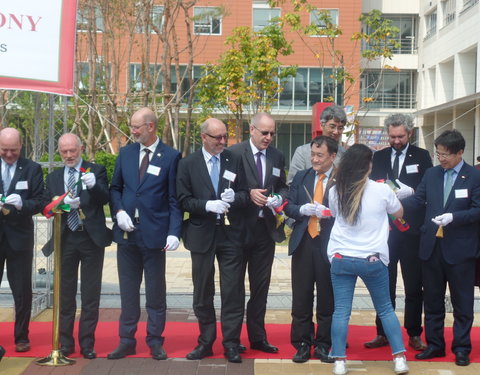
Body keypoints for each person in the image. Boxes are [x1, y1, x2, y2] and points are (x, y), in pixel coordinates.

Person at [327, 144, 409, 375]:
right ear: (368, 165)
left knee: (341, 311)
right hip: (372, 259)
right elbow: (400, 213)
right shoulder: (382, 191)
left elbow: (334, 214)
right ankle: (399, 358)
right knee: (385, 309)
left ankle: (339, 361)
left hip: (341, 257)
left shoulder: (336, 191)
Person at [401, 129, 480, 367]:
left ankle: (462, 348)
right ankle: (434, 345)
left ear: (460, 153)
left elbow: (478, 210)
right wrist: (393, 202)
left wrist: (454, 217)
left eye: (446, 154)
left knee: (462, 303)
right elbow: (418, 201)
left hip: (460, 250)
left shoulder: (474, 176)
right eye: (438, 153)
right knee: (433, 301)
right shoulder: (432, 174)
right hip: (431, 247)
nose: (441, 158)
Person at [109, 107, 182, 360]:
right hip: (127, 234)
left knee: (155, 293)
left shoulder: (171, 156)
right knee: (128, 292)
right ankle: (127, 340)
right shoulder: (126, 153)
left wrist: (174, 231)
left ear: (151, 126)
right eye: (132, 126)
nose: (132, 130)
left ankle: (154, 340)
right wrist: (118, 211)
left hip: (154, 236)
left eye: (136, 126)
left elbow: (174, 199)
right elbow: (115, 188)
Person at [177, 118, 248, 363]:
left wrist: (235, 197)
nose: (222, 142)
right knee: (203, 292)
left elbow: (245, 194)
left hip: (230, 235)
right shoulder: (187, 164)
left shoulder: (233, 159)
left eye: (224, 136)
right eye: (217, 137)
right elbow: (183, 200)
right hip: (201, 234)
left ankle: (231, 343)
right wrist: (207, 205)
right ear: (203, 137)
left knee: (233, 291)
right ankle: (206, 342)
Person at [365, 114, 432, 351]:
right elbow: (370, 187)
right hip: (385, 232)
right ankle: (382, 332)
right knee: (384, 283)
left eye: (400, 136)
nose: (396, 141)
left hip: (412, 231)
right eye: (392, 136)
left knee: (414, 285)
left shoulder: (422, 156)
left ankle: (414, 333)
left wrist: (412, 192)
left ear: (410, 133)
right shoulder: (379, 156)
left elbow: (428, 188)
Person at [41, 133, 111, 359]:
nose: (69, 155)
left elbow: (105, 198)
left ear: (81, 148)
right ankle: (65, 342)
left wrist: (93, 188)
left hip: (90, 238)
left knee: (91, 294)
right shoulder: (53, 177)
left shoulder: (95, 170)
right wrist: (58, 204)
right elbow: (46, 206)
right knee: (65, 294)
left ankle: (87, 343)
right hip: (65, 238)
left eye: (73, 150)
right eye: (64, 152)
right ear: (59, 152)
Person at [229, 112, 288, 353]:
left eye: (272, 133)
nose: (268, 137)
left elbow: (283, 186)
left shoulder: (277, 155)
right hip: (238, 231)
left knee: (260, 288)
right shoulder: (233, 154)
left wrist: (278, 198)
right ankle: (231, 340)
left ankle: (258, 337)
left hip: (265, 232)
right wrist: (248, 193)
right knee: (233, 288)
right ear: (251, 130)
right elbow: (226, 188)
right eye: (264, 132)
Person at [284, 136, 338, 363]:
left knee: (328, 297)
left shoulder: (342, 179)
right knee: (302, 296)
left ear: (332, 157)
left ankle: (324, 344)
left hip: (329, 244)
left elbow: (350, 211)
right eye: (313, 155)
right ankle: (303, 343)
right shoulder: (302, 176)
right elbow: (289, 205)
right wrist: (301, 210)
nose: (314, 160)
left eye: (320, 156)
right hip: (304, 242)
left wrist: (330, 211)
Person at [0, 127, 45, 353]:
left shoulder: (31, 169)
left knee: (22, 290)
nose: (9, 155)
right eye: (4, 150)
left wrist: (22, 205)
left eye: (13, 150)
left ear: (21, 146)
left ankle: (21, 336)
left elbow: (40, 201)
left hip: (19, 238)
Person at [287, 105, 347, 185]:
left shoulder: (345, 155)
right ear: (322, 125)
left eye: (340, 128)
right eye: (332, 126)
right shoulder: (302, 152)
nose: (336, 131)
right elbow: (292, 184)